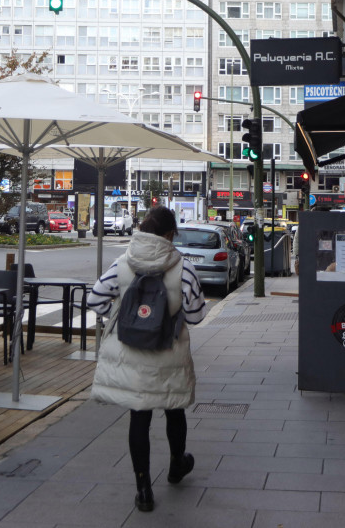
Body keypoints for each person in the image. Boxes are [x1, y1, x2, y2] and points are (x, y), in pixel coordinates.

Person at [87, 206, 207, 513]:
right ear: (170, 235)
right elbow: (195, 316)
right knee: (173, 409)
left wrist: (125, 315)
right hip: (169, 353)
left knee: (139, 417)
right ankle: (177, 465)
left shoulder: (122, 262)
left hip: (132, 355)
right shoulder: (183, 267)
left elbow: (96, 298)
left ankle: (143, 489)